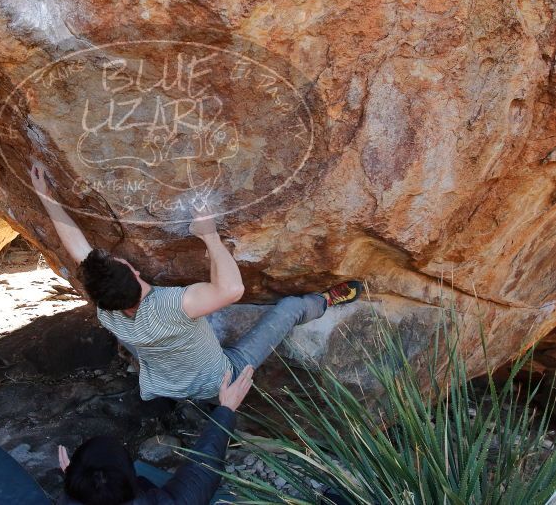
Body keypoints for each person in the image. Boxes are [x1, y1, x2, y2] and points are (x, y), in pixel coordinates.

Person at [30, 163, 362, 402]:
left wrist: (46, 197)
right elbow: (232, 290)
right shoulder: (172, 305)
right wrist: (209, 234)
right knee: (289, 307)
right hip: (222, 378)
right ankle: (324, 302)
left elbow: (79, 252)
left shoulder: (108, 312)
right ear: (132, 270)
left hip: (168, 383)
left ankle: (181, 396)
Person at [56, 365, 255, 505]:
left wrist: (78, 481)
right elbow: (202, 471)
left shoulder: (73, 495)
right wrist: (226, 408)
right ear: (129, 476)